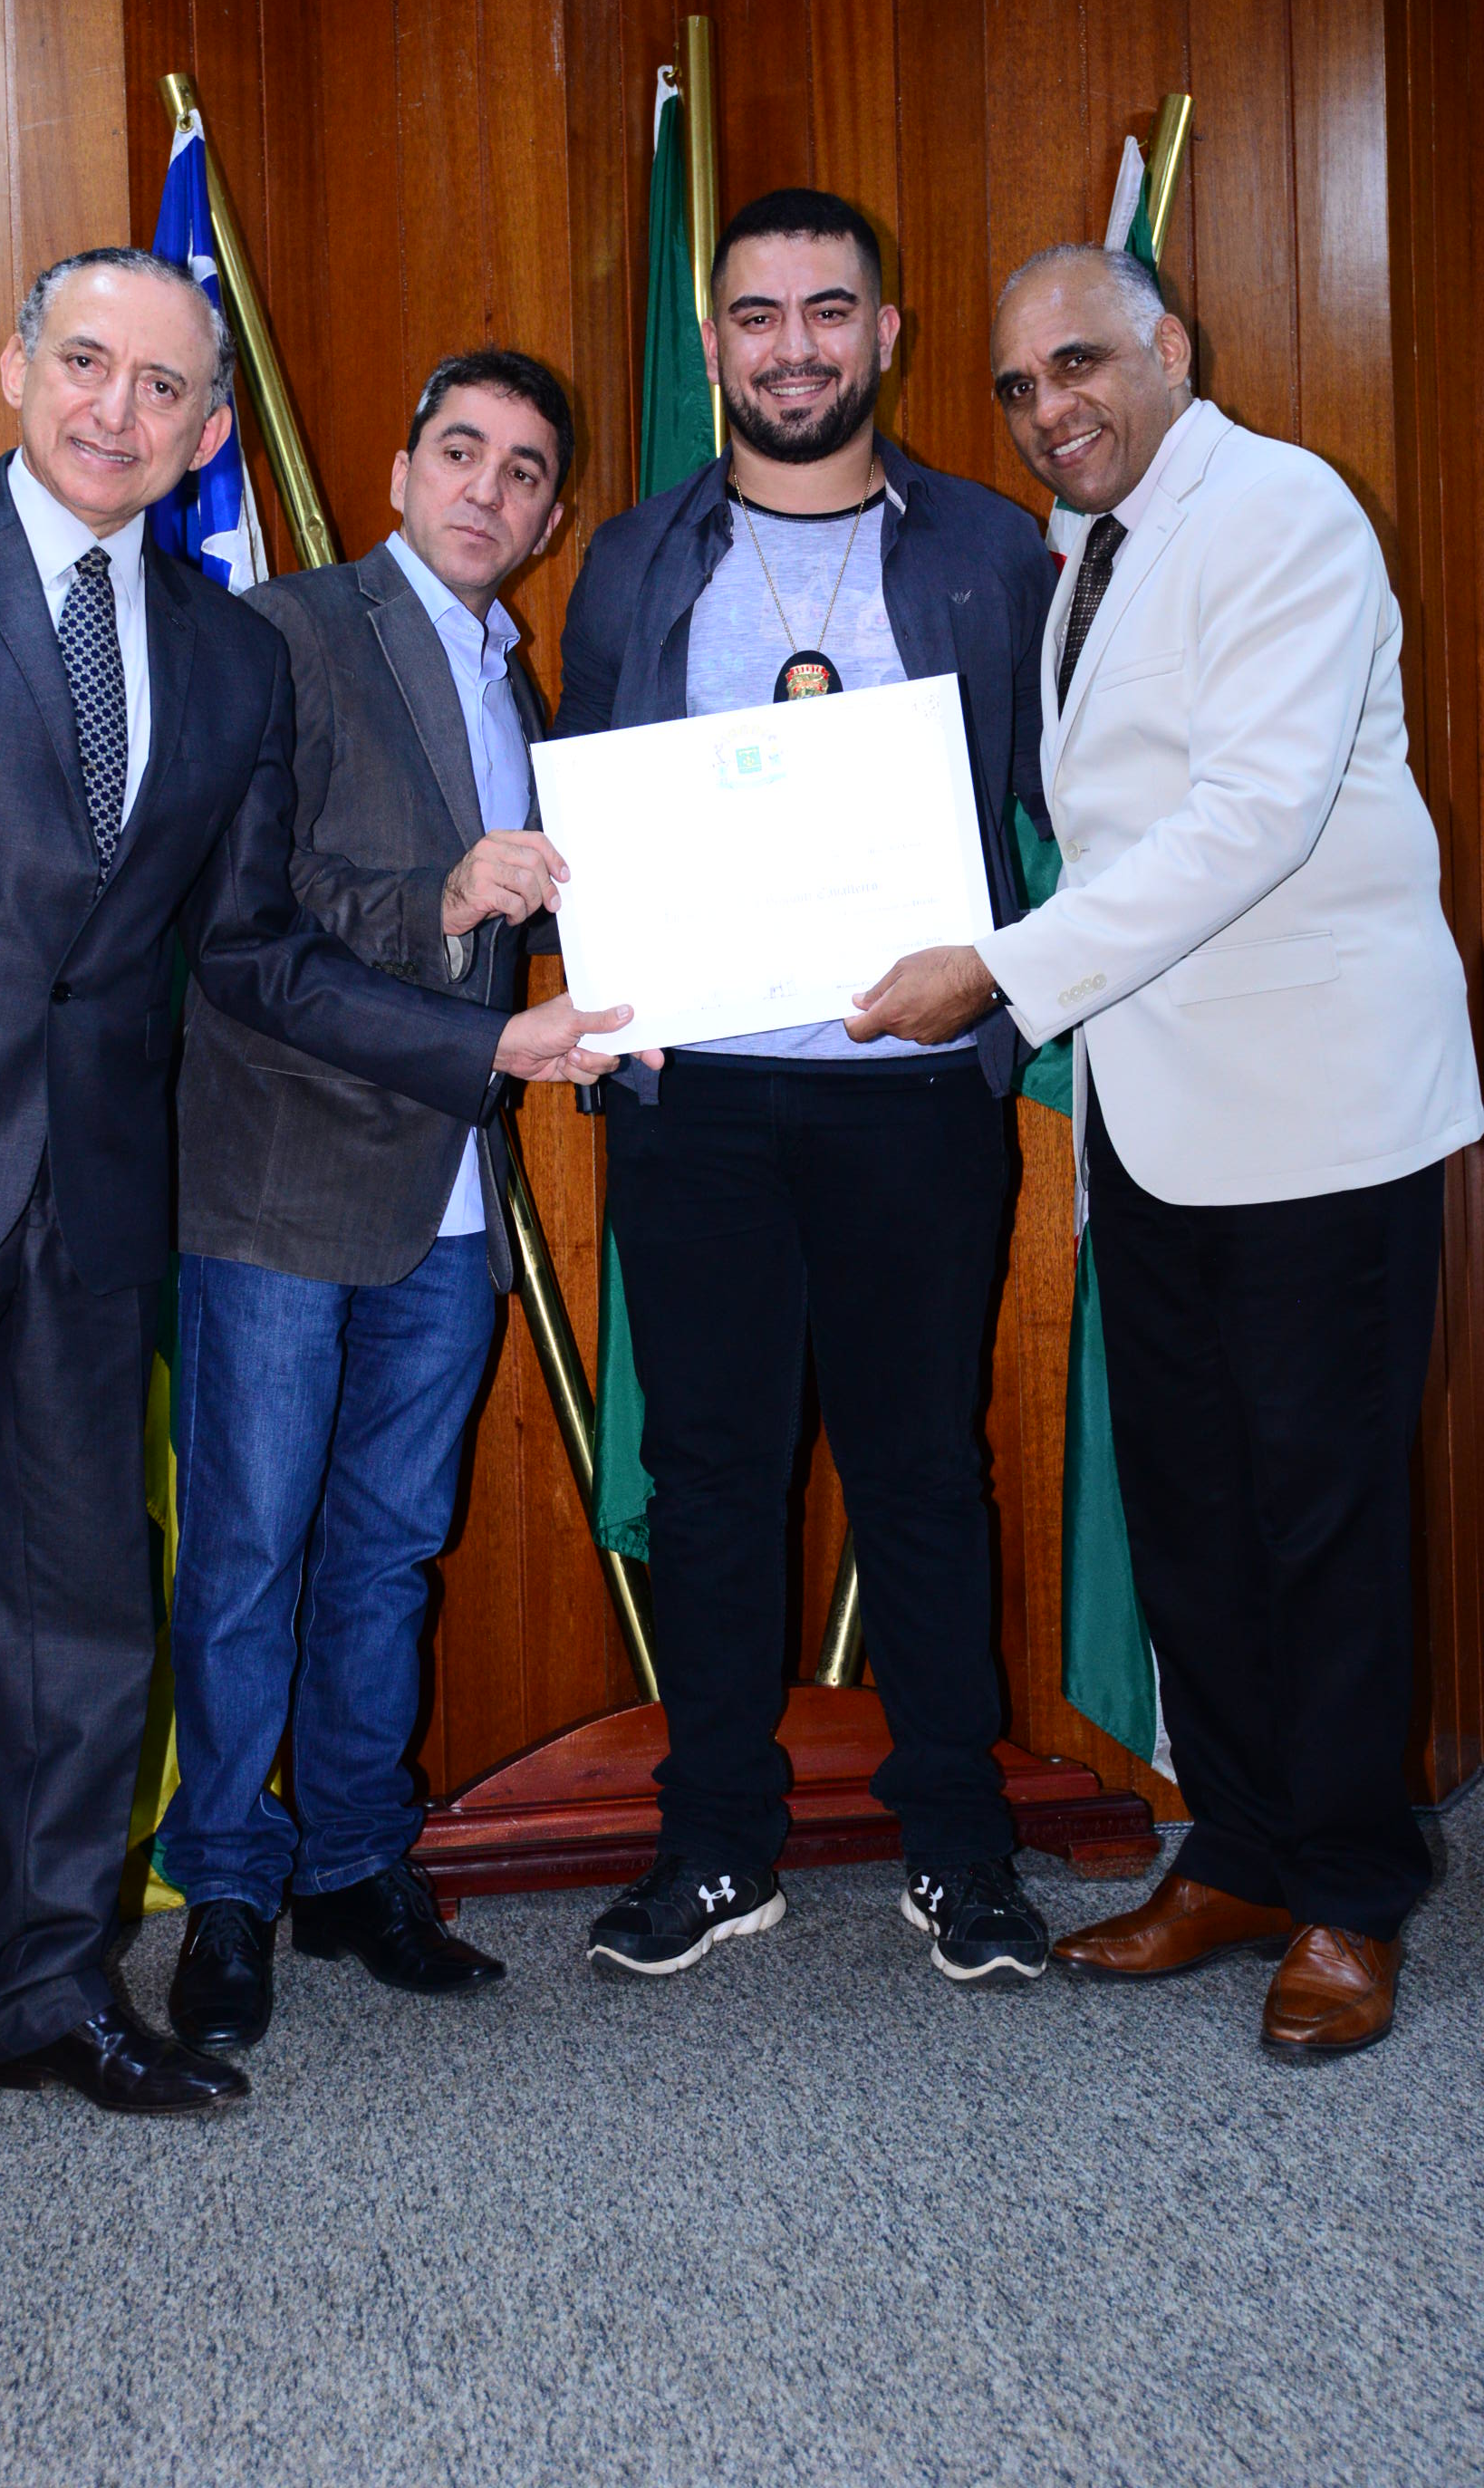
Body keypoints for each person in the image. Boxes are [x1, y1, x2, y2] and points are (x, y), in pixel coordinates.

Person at [0, 249, 631, 2224]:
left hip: (103, 1222)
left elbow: (254, 954)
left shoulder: (224, 654)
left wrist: (488, 1043)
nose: (114, 410)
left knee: (86, 1630)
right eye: (85, 363)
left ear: (211, 430)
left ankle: (51, 1991)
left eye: (160, 388)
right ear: (15, 367)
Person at [854, 243, 1482, 2058]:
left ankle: (1350, 1890)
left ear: (1170, 351)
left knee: (1324, 1519)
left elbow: (1249, 816)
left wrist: (996, 969)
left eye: (1080, 364)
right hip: (1156, 1115)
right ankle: (1245, 1851)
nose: (1049, 409)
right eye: (1017, 386)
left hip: (1319, 1115)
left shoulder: (1279, 509)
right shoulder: (1086, 552)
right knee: (1194, 1509)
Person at [555, 188, 1058, 1986]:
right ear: (712, 348)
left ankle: (959, 1845)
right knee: (710, 1476)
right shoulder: (634, 559)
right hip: (696, 1101)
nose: (793, 348)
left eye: (827, 311)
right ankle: (716, 1846)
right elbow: (590, 802)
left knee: (920, 1467)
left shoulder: (989, 549)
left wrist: (1003, 991)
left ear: (885, 333)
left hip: (909, 1093)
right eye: (757, 317)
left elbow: (1061, 805)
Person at [160, 351, 578, 2043]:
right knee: (249, 1550)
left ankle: (349, 1864)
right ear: (402, 472)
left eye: (525, 471)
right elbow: (246, 925)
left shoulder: (520, 685)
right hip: (282, 1182)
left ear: (549, 517)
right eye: (461, 451)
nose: (488, 488)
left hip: (454, 1193)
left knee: (392, 1552)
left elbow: (537, 922)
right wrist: (448, 900)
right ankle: (227, 1888)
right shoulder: (288, 631)